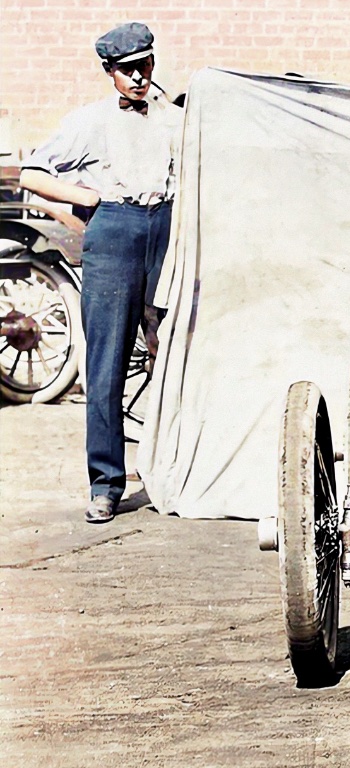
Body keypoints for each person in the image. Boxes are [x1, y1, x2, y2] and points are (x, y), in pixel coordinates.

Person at [20, 22, 182, 524]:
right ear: (110, 71)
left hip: (167, 229)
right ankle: (106, 484)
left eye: (144, 66)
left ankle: (173, 474)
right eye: (126, 69)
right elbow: (32, 173)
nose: (138, 78)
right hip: (114, 232)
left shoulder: (175, 120)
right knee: (107, 364)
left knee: (174, 353)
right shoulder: (89, 121)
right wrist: (85, 198)